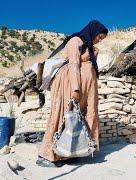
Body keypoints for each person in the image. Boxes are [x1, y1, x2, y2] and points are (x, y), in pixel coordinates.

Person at [36, 20, 108, 167]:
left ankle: (71, 152)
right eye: (99, 37)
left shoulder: (92, 49)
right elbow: (74, 64)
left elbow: (90, 69)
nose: (99, 41)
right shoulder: (75, 41)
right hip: (69, 84)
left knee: (78, 119)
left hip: (87, 89)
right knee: (62, 115)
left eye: (102, 39)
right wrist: (76, 88)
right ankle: (48, 155)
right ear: (93, 31)